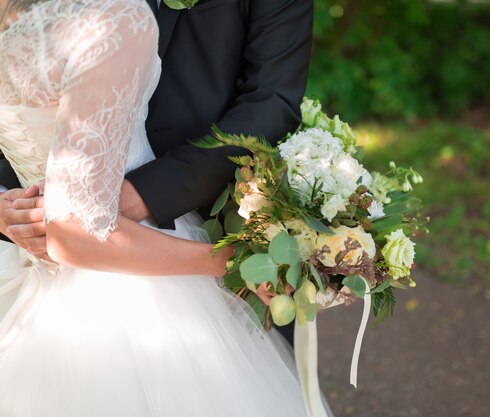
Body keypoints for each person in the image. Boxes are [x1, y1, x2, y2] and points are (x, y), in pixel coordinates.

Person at [0, 0, 325, 416]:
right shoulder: (104, 15)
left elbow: (270, 101)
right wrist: (7, 207)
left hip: (206, 210)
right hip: (59, 244)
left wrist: (140, 195)